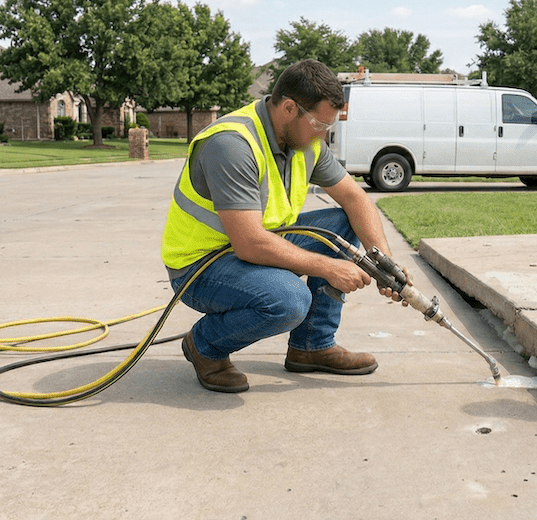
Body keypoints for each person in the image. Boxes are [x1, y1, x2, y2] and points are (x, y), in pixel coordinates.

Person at [161, 59, 409, 393]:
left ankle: (312, 345)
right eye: (319, 124)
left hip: (253, 247)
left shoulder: (305, 142)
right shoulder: (232, 144)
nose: (324, 134)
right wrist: (329, 267)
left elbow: (354, 198)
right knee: (289, 300)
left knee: (341, 225)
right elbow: (250, 243)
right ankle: (205, 345)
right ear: (289, 107)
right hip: (201, 267)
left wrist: (382, 262)